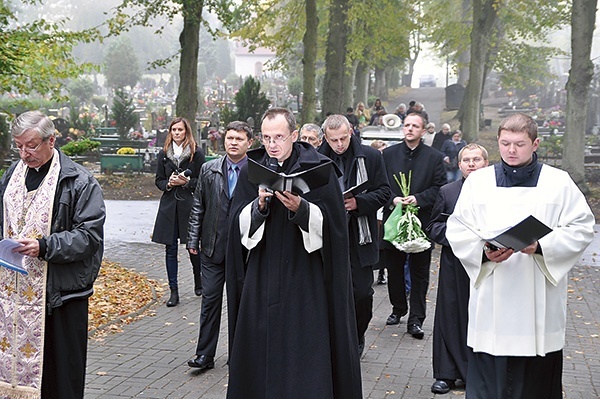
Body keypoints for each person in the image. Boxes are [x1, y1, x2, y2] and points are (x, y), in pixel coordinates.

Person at [446, 113, 595, 398]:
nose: (511, 150)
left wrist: (541, 247)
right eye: (505, 143)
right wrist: (486, 253)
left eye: (519, 144)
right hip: (494, 294)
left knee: (535, 382)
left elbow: (582, 227)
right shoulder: (479, 182)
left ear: (535, 143)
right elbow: (459, 228)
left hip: (537, 294)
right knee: (491, 378)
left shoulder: (558, 182)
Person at [225, 107, 362, 398]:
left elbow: (336, 226)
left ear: (294, 135)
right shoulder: (253, 168)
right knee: (261, 341)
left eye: (278, 137)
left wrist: (302, 210)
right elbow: (236, 222)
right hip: (263, 273)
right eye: (266, 137)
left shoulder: (319, 167)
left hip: (306, 274)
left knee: (304, 341)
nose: (272, 144)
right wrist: (258, 208)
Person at [0, 110, 105, 399]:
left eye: (31, 146)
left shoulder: (79, 181)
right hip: (14, 296)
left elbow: (89, 237)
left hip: (59, 294)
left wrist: (44, 246)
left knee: (60, 377)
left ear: (51, 140)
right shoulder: (13, 174)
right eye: (18, 146)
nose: (24, 154)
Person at [319, 114, 391, 357]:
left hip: (360, 236)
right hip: (327, 237)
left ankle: (357, 333)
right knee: (328, 293)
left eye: (343, 138)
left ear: (350, 131)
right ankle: (334, 340)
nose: (339, 144)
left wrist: (357, 202)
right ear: (325, 138)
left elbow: (384, 192)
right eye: (333, 140)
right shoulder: (317, 159)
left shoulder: (370, 156)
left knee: (361, 293)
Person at [186, 121, 253, 371]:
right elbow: (198, 206)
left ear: (249, 143)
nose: (233, 143)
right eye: (229, 138)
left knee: (239, 304)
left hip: (242, 251)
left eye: (239, 139)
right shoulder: (209, 169)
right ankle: (204, 354)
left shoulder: (256, 172)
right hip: (212, 248)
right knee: (210, 301)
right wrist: (193, 239)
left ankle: (238, 354)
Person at [426, 143, 489, 394]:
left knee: (480, 316)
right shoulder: (448, 191)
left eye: (476, 159)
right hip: (454, 263)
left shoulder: (496, 192)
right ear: (459, 164)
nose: (471, 164)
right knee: (450, 314)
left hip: (486, 263)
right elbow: (433, 227)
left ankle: (476, 371)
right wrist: (459, 236)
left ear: (486, 163)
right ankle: (446, 373)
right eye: (466, 160)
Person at [380, 112, 446, 338]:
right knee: (394, 270)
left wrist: (419, 198)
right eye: (407, 125)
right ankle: (398, 307)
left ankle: (416, 319)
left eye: (415, 126)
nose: (410, 129)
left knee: (420, 273)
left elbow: (440, 188)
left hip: (421, 222)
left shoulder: (434, 157)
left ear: (423, 130)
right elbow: (380, 184)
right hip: (394, 221)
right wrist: (393, 199)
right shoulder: (388, 155)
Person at [151, 117, 205, 307]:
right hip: (169, 206)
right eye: (173, 130)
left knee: (193, 247)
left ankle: (198, 280)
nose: (177, 133)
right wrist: (169, 183)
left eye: (180, 130)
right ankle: (174, 291)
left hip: (189, 205)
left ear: (186, 131)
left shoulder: (196, 153)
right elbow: (158, 180)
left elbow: (203, 180)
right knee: (170, 248)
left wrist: (187, 182)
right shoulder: (164, 153)